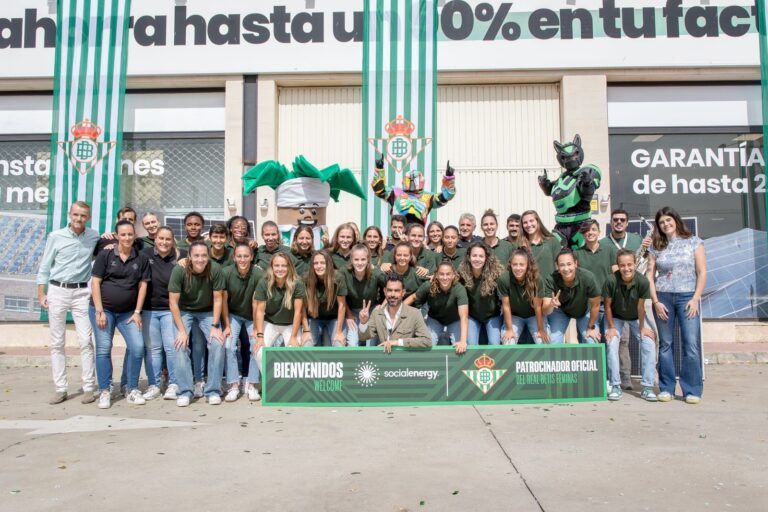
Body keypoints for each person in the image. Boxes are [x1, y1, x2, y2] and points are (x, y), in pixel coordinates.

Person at [37, 201, 101, 405]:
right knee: (57, 342)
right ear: (69, 214)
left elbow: (103, 250)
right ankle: (60, 388)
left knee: (85, 341)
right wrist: (41, 294)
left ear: (88, 217)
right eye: (76, 215)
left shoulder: (93, 236)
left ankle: (89, 387)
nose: (79, 219)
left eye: (83, 215)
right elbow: (45, 267)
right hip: (58, 290)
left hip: (82, 292)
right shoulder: (55, 237)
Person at [647, 206, 706, 404]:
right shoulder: (656, 246)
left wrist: (695, 298)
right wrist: (655, 302)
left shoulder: (694, 242)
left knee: (690, 343)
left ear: (676, 220)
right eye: (662, 222)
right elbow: (649, 275)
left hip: (687, 297)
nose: (666, 224)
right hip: (663, 298)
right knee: (665, 344)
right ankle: (666, 388)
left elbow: (702, 271)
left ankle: (692, 390)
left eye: (668, 220)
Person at [90, 219, 150, 409]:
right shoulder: (105, 255)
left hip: (128, 313)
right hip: (103, 310)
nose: (126, 238)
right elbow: (95, 283)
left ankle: (131, 388)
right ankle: (105, 390)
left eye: (130, 234)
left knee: (137, 347)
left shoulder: (140, 258)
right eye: (123, 234)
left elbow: (143, 286)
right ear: (116, 236)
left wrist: (138, 312)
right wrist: (99, 310)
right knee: (103, 348)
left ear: (134, 236)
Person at [168, 241, 227, 406]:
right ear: (189, 257)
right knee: (179, 345)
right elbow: (173, 303)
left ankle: (213, 390)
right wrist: (181, 330)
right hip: (184, 311)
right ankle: (186, 391)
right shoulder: (179, 270)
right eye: (196, 256)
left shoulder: (215, 269)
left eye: (203, 255)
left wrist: (215, 326)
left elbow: (218, 299)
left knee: (217, 343)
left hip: (208, 311)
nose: (200, 259)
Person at [600, 208, 651, 390]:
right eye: (615, 220)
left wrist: (646, 248)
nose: (619, 222)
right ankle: (618, 379)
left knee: (645, 339)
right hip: (614, 296)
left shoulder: (637, 239)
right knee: (619, 341)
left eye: (622, 220)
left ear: (627, 223)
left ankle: (629, 378)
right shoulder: (604, 243)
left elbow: (646, 260)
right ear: (611, 222)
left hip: (636, 293)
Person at [604, 249, 658, 402]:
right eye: (622, 265)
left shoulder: (642, 281)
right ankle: (615, 385)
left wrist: (642, 328)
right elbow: (607, 306)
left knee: (648, 343)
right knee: (612, 343)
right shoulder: (611, 280)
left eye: (629, 265)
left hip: (636, 317)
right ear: (618, 266)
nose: (626, 268)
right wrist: (611, 327)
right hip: (616, 317)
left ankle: (647, 387)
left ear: (635, 264)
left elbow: (641, 307)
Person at [141, 226, 186, 401]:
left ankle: (174, 383)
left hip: (170, 310)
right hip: (149, 310)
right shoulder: (145, 255)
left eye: (168, 239)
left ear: (173, 240)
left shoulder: (181, 255)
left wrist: (185, 260)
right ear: (155, 239)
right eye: (161, 238)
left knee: (171, 347)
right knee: (153, 349)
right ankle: (154, 384)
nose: (164, 242)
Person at [221, 243, 263, 402]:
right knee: (229, 346)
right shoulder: (226, 273)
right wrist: (226, 325)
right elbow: (223, 301)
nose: (243, 259)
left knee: (255, 345)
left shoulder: (258, 274)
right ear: (234, 257)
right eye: (239, 256)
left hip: (252, 315)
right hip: (233, 314)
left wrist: (256, 328)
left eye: (246, 256)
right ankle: (233, 385)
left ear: (252, 257)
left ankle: (252, 385)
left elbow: (256, 303)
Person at [253, 253, 307, 374]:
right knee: (259, 351)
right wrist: (260, 336)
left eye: (284, 265)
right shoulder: (264, 282)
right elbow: (260, 311)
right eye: (277, 265)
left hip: (290, 325)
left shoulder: (297, 283)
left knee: (294, 352)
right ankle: (270, 381)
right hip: (271, 323)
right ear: (271, 267)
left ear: (289, 267)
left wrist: (293, 337)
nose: (280, 269)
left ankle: (289, 385)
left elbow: (298, 312)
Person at [358, 272, 432, 352]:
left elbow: (426, 341)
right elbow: (363, 337)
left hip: (403, 361)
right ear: (385, 291)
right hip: (384, 360)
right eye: (389, 290)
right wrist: (363, 323)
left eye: (397, 291)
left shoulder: (414, 313)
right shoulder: (377, 314)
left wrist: (398, 343)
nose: (393, 294)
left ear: (403, 292)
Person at [406, 261, 469, 353]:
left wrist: (463, 341)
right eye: (441, 274)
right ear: (436, 275)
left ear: (453, 275)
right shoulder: (429, 285)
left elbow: (464, 316)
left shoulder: (459, 289)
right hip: (435, 319)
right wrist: (398, 311)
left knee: (461, 345)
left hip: (454, 320)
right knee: (428, 343)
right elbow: (413, 297)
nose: (445, 277)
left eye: (448, 274)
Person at [542, 250, 601, 344]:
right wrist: (551, 304)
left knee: (591, 339)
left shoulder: (588, 277)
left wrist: (591, 327)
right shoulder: (551, 279)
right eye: (562, 265)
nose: (566, 269)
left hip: (584, 310)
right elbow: (545, 311)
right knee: (553, 341)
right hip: (560, 311)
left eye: (569, 264)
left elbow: (596, 305)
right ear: (557, 266)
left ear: (575, 264)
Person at [574, 220, 613, 342]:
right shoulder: (577, 253)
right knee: (588, 340)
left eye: (593, 229)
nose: (590, 233)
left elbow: (616, 276)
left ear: (599, 232)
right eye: (586, 230)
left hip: (606, 303)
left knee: (609, 341)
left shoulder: (609, 250)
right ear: (582, 234)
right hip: (586, 306)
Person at [340, 244, 386, 346]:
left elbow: (391, 288)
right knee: (352, 343)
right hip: (352, 312)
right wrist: (349, 315)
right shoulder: (344, 273)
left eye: (363, 259)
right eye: (356, 260)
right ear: (351, 260)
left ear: (368, 260)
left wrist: (381, 306)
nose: (360, 263)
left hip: (372, 311)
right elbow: (341, 297)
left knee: (371, 343)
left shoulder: (376, 273)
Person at [498, 248, 547, 344]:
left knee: (542, 341)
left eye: (522, 265)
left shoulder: (537, 279)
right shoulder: (504, 279)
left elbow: (538, 307)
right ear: (510, 265)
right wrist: (509, 329)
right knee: (508, 342)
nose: (518, 268)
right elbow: (506, 306)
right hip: (514, 316)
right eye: (514, 264)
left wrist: (541, 330)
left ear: (527, 265)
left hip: (534, 315)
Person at [459, 242, 503, 345]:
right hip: (472, 316)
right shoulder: (462, 273)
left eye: (481, 256)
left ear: (486, 258)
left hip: (493, 316)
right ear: (469, 257)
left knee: (494, 343)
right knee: (471, 344)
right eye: (474, 255)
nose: (477, 259)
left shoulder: (497, 273)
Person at [302, 251, 348, 346]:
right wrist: (306, 330)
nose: (319, 266)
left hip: (334, 318)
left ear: (329, 264)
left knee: (338, 344)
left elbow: (342, 305)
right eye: (316, 263)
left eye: (323, 263)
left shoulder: (338, 277)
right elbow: (301, 307)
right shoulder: (306, 278)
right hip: (314, 318)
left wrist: (339, 332)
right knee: (307, 344)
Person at [521, 209, 560, 280]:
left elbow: (559, 266)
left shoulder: (552, 241)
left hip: (550, 288)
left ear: (537, 221)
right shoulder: (521, 245)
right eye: (525, 222)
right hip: (530, 288)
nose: (529, 225)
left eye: (531, 221)